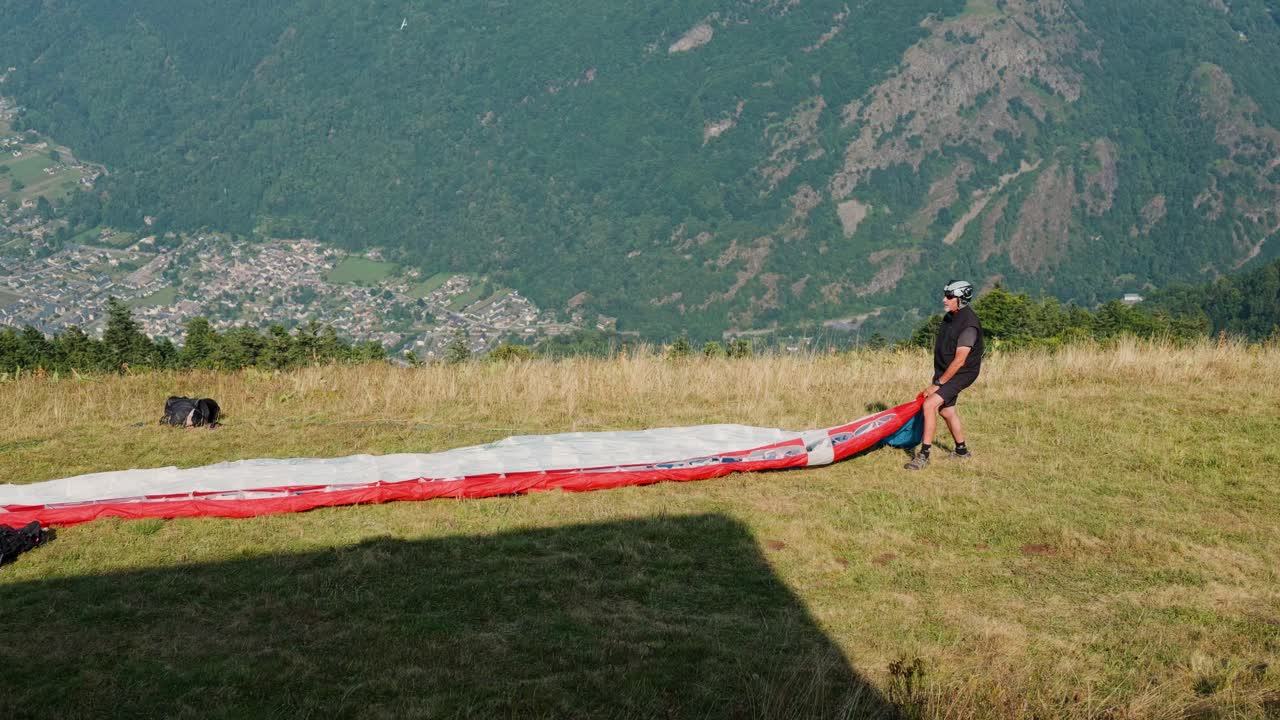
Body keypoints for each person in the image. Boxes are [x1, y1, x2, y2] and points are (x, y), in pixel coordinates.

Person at [905, 280, 983, 470]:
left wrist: (938, 383)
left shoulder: (969, 326)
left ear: (961, 299)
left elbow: (959, 361)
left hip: (961, 373)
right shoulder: (951, 317)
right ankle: (962, 451)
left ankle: (923, 455)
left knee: (929, 404)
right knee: (946, 411)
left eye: (949, 297)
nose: (944, 300)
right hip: (945, 370)